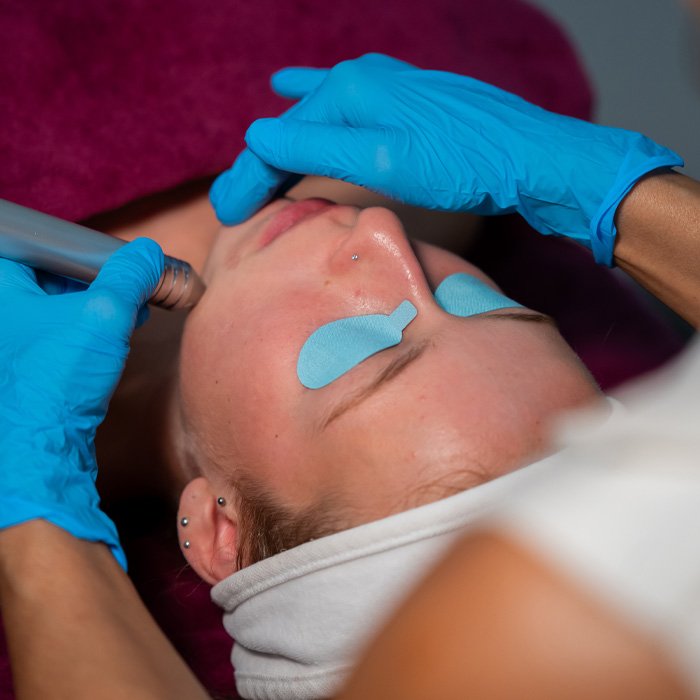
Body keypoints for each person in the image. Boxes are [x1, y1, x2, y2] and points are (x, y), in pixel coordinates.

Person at [0, 53, 697, 700]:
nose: (384, 235)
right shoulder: (422, 194)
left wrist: (33, 496)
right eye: (480, 300)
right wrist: (621, 193)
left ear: (220, 529)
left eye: (357, 345)